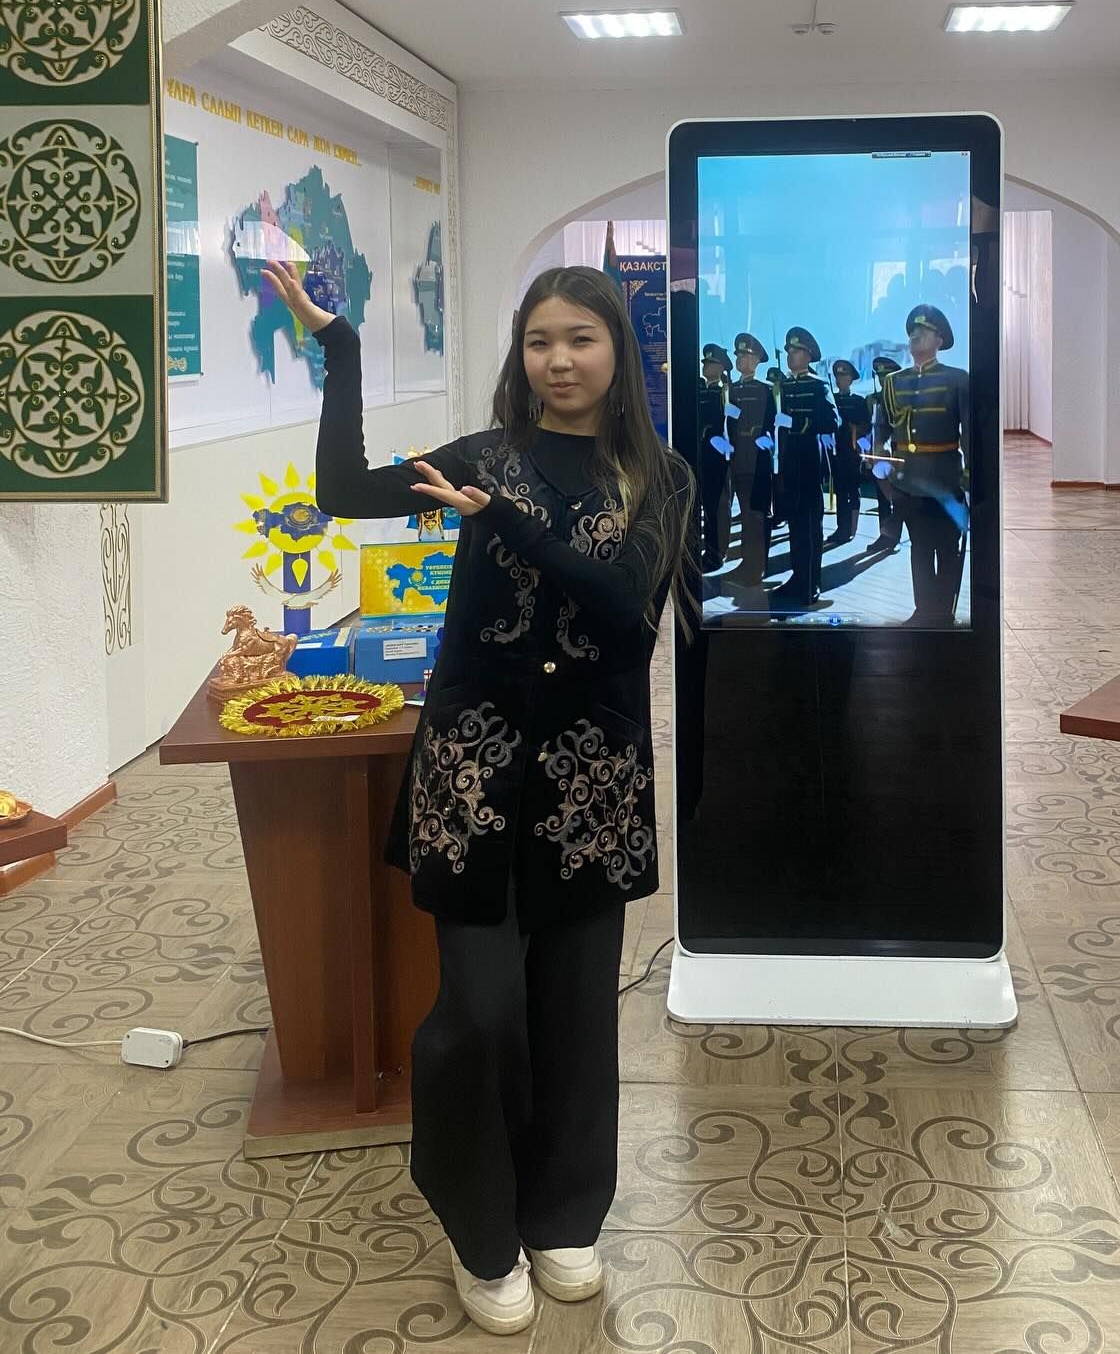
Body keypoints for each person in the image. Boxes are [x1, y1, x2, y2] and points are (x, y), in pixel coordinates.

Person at [260, 258, 692, 1336]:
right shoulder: (482, 455)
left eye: (581, 339)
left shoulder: (661, 475)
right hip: (474, 770)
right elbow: (342, 492)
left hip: (591, 776)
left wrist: (508, 527)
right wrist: (340, 348)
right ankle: (482, 1232)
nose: (559, 360)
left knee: (578, 1012)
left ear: (616, 351)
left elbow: (627, 614)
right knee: (482, 1012)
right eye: (540, 340)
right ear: (520, 351)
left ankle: (564, 1216)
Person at [873, 305, 969, 624]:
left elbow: (970, 434)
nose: (915, 335)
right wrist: (881, 462)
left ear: (939, 340)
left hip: (945, 480)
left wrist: (971, 476)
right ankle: (924, 611)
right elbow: (881, 430)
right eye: (913, 331)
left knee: (948, 548)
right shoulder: (893, 382)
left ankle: (942, 613)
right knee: (920, 548)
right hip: (908, 481)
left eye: (924, 331)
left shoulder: (957, 380)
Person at [773, 326, 837, 607]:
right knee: (795, 525)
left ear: (808, 355)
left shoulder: (818, 385)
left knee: (810, 525)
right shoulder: (784, 386)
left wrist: (797, 423)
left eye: (796, 350)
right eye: (788, 350)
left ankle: (811, 584)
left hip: (810, 461)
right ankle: (798, 577)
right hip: (789, 461)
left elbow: (832, 421)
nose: (790, 355)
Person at [728, 331, 777, 585]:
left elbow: (775, 425)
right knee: (745, 514)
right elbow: (728, 424)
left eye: (745, 355)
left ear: (757, 360)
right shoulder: (731, 390)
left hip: (759, 460)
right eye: (738, 355)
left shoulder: (767, 390)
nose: (740, 359)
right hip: (737, 459)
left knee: (758, 514)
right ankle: (746, 562)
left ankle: (758, 566)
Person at [825, 358, 870, 548]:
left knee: (852, 490)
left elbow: (866, 426)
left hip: (852, 451)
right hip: (836, 450)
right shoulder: (832, 399)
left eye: (843, 376)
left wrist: (853, 430)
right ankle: (841, 527)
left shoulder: (859, 401)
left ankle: (851, 528)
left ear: (851, 379)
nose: (839, 379)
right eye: (837, 376)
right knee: (840, 491)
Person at [698, 343, 733, 571]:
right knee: (702, 504)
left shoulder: (725, 392)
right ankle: (704, 548)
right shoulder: (699, 390)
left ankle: (716, 552)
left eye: (710, 363)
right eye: (705, 362)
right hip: (699, 454)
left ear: (720, 367)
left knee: (717, 506)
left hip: (718, 456)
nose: (706, 366)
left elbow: (734, 422)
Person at [864, 353, 903, 555]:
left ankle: (896, 537)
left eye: (886, 376)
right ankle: (886, 536)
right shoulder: (873, 399)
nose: (882, 380)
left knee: (900, 498)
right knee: (883, 498)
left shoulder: (903, 399)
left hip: (899, 453)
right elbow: (869, 428)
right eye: (879, 376)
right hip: (879, 455)